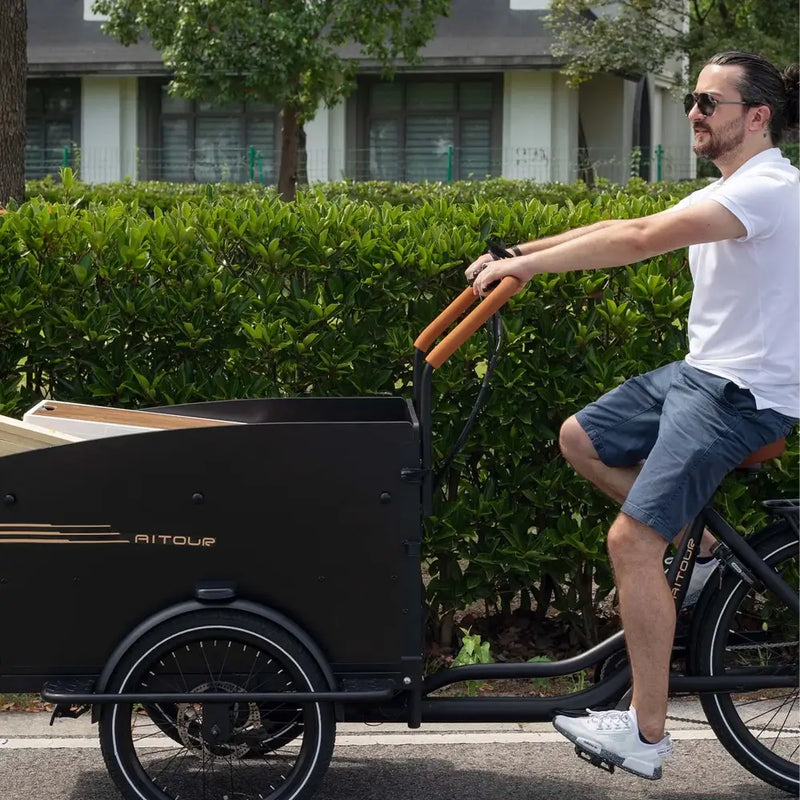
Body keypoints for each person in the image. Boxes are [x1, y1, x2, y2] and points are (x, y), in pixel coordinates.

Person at [465, 51, 799, 781]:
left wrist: (529, 270)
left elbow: (643, 242)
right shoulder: (739, 185)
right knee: (580, 437)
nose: (695, 113)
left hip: (737, 396)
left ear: (757, 116)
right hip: (699, 376)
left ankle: (648, 735)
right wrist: (520, 255)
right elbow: (635, 218)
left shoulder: (770, 189)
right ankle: (703, 549)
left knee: (632, 545)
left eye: (709, 102)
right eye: (693, 100)